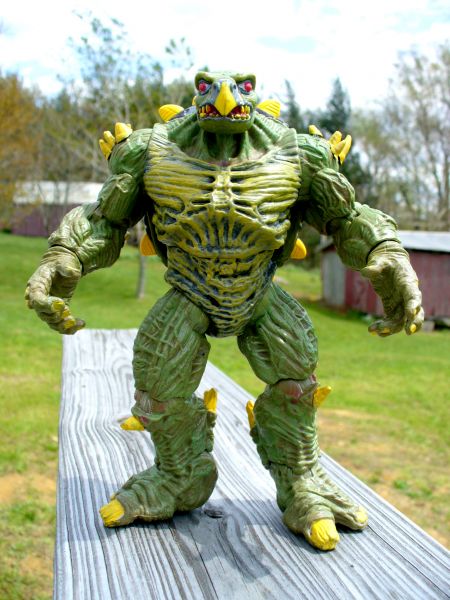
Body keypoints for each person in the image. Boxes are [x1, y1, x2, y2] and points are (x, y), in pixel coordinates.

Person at [25, 70, 423, 551]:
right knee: (157, 387)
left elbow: (347, 217)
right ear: (197, 94)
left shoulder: (299, 153)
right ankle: (180, 473)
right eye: (208, 86)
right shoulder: (150, 150)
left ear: (253, 95)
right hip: (189, 292)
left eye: (242, 88)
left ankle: (301, 479)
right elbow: (104, 219)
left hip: (259, 293)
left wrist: (387, 252)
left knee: (296, 378)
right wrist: (63, 256)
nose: (227, 96)